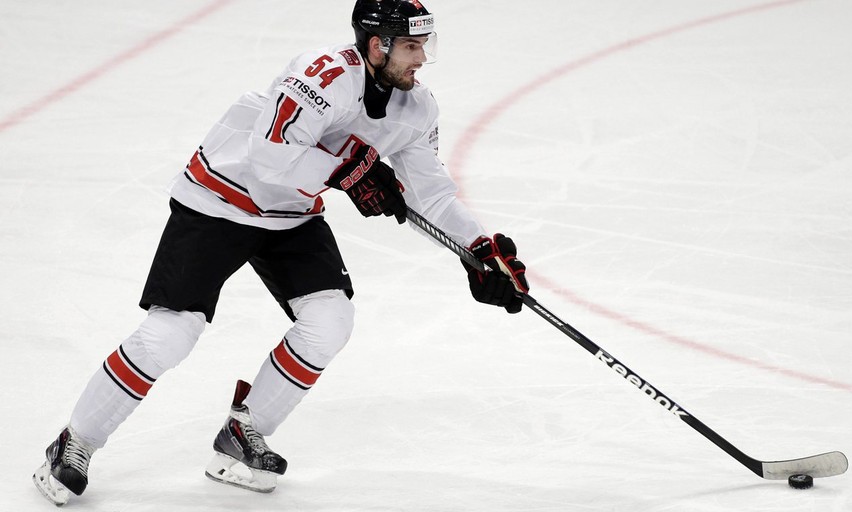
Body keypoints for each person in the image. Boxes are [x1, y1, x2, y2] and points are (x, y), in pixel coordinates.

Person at [32, 0, 529, 505]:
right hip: (221, 198)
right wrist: (347, 171)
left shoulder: (416, 107)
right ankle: (75, 442)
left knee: (331, 320)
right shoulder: (320, 76)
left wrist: (479, 249)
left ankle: (243, 434)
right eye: (410, 46)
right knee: (170, 335)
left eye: (424, 45)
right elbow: (269, 160)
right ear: (377, 45)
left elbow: (433, 193)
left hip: (290, 214)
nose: (421, 58)